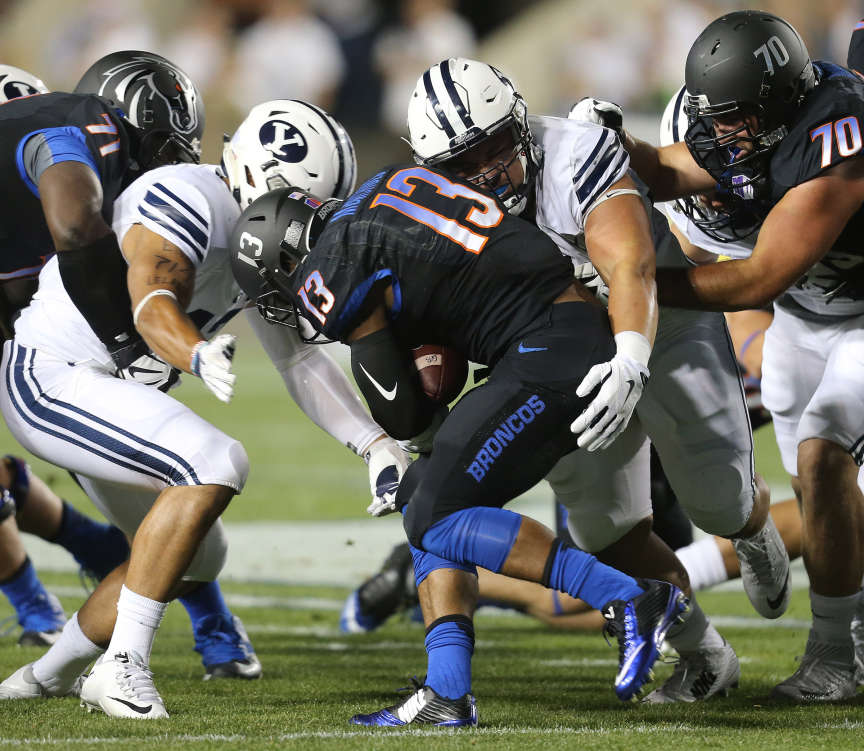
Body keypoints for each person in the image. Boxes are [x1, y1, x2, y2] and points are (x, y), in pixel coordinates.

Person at [0, 98, 407, 718]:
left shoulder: (258, 235)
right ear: (260, 178)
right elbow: (151, 293)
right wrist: (190, 351)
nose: (303, 226)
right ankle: (124, 665)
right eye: (297, 204)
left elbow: (298, 361)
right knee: (215, 459)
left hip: (105, 391)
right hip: (50, 376)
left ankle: (45, 675)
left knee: (198, 555)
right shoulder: (185, 193)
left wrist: (376, 445)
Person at [401, 58, 791, 704]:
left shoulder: (574, 153)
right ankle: (706, 658)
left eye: (498, 147)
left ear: (521, 122)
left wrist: (631, 357)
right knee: (607, 531)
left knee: (715, 499)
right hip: (560, 353)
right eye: (464, 165)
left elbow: (631, 266)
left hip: (661, 327)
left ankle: (753, 528)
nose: (490, 172)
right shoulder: (431, 214)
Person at [232, 179, 688, 727]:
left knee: (432, 512)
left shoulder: (331, 262)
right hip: (561, 330)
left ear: (287, 259)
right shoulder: (386, 186)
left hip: (549, 351)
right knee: (422, 498)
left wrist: (410, 427)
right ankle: (447, 692)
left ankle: (626, 595)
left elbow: (400, 411)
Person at [585, 9, 864, 702]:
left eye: (734, 114)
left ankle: (839, 655)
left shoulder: (839, 137)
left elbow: (758, 277)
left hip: (855, 312)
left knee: (821, 458)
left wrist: (638, 283)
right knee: (817, 487)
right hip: (809, 315)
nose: (721, 129)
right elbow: (670, 170)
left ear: (778, 102)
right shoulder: (746, 123)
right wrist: (603, 146)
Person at [0, 61, 262, 680]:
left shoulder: (63, 152)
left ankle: (193, 606)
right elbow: (72, 227)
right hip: (40, 352)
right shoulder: (69, 131)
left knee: (155, 474)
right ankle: (63, 583)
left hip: (43, 348)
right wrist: (128, 342)